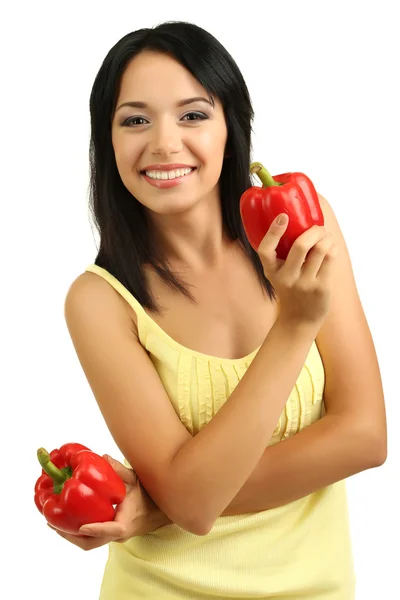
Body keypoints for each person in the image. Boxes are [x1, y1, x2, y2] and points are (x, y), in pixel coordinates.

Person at [53, 20, 387, 599]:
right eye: (135, 119)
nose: (163, 143)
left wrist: (164, 503)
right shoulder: (99, 300)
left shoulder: (304, 224)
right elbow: (192, 501)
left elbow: (365, 436)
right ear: (106, 140)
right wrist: (295, 325)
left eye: (192, 114)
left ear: (231, 126)